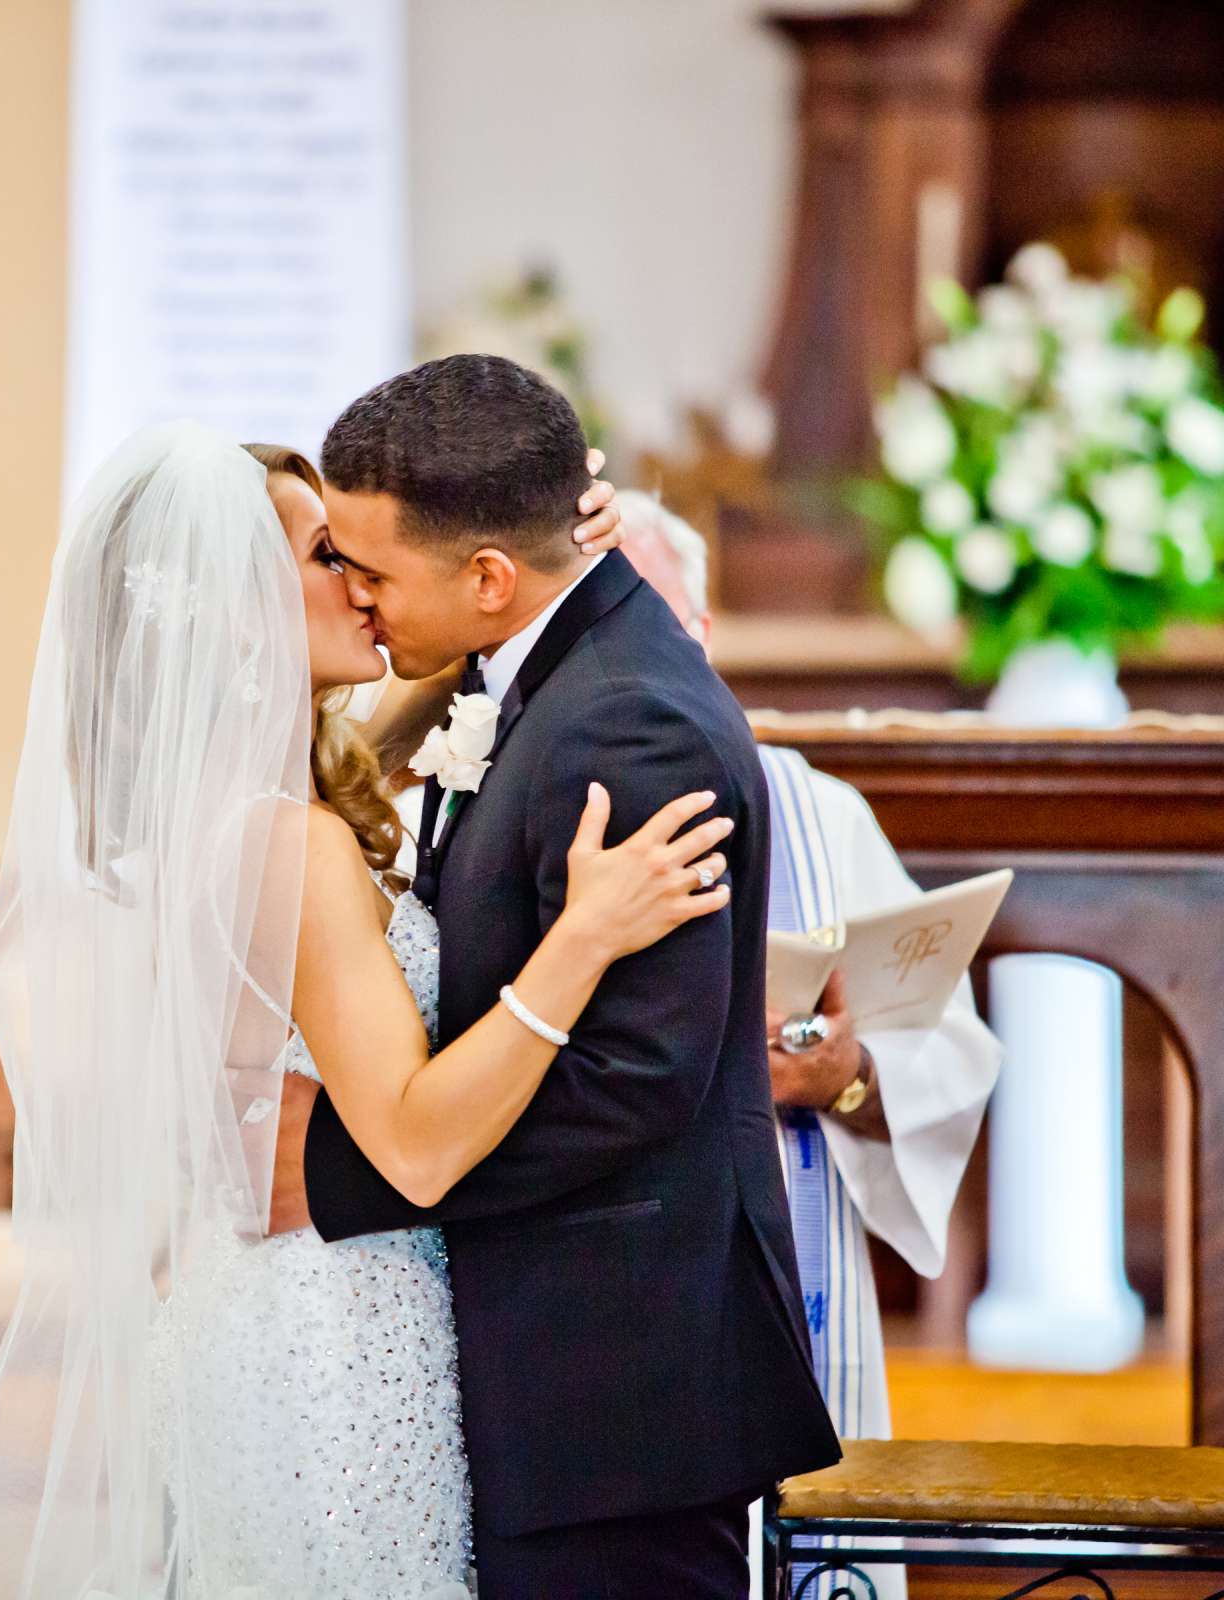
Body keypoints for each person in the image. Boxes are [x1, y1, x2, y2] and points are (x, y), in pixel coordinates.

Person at [0, 421, 732, 1599]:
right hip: (331, 1341)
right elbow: (411, 1140)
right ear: (238, 612)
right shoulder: (286, 846)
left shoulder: (222, 813)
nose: (360, 579)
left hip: (258, 1311)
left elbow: (464, 687)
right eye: (325, 554)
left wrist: (561, 560)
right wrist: (585, 937)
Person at [274, 356, 840, 1599]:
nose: (357, 598)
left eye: (371, 570)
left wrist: (338, 1173)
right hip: (574, 1379)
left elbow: (635, 1081)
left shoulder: (627, 720)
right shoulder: (537, 663)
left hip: (621, 1385)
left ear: (487, 578)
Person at [613, 488, 1002, 1600]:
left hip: (787, 1254)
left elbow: (949, 1049)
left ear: (706, 635)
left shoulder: (817, 815)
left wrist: (849, 1077)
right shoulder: (526, 801)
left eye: (668, 625)